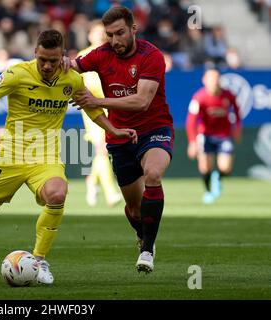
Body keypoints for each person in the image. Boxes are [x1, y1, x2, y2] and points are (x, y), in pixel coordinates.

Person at [0, 30, 137, 285]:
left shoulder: (72, 79)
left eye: (53, 60)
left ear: (63, 57)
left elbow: (91, 108)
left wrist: (114, 130)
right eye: (42, 59)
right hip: (10, 155)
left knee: (57, 193)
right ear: (35, 53)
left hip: (46, 157)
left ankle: (39, 259)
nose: (47, 66)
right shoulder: (17, 74)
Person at [64, 6, 174, 274]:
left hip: (154, 130)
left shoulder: (152, 56)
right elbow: (73, 67)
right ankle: (142, 233)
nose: (115, 41)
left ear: (134, 29)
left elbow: (142, 101)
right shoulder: (101, 54)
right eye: (110, 35)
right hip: (119, 136)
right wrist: (60, 63)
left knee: (153, 174)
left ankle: (147, 249)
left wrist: (97, 101)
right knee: (135, 210)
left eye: (120, 33)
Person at [77, 20, 123, 207]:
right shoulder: (83, 56)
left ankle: (92, 181)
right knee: (103, 149)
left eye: (102, 32)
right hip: (93, 107)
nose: (100, 35)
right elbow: (78, 83)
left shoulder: (113, 53)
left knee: (105, 150)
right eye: (96, 32)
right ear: (89, 35)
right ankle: (111, 193)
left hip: (111, 105)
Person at [186, 68, 241, 204]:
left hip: (224, 135)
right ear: (204, 81)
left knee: (225, 167)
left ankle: (218, 178)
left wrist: (237, 128)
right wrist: (192, 141)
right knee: (205, 167)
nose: (214, 82)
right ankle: (208, 191)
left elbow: (237, 112)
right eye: (211, 79)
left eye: (216, 78)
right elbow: (191, 121)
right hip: (205, 135)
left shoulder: (229, 95)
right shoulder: (199, 97)